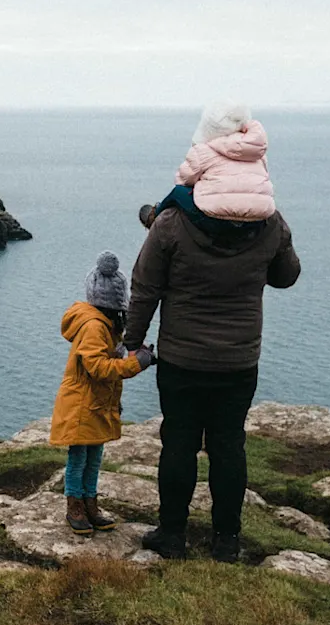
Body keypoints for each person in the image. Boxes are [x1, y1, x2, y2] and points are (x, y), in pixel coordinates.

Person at [125, 113, 301, 562]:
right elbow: (286, 278)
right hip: (239, 360)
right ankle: (227, 542)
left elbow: (145, 288)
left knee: (179, 442)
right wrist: (276, 242)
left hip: (183, 358)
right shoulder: (271, 223)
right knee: (228, 445)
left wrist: (132, 343)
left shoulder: (170, 222)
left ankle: (172, 535)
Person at [49, 252, 155, 536]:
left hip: (93, 403)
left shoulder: (104, 325)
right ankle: (75, 506)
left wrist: (130, 350)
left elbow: (107, 353)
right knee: (79, 458)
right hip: (82, 405)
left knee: (93, 457)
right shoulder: (95, 326)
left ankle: (89, 504)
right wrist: (135, 364)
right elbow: (96, 366)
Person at [138, 100, 275, 233]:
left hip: (214, 221)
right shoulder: (258, 155)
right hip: (256, 222)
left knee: (178, 192)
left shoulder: (204, 150)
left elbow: (184, 179)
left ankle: (155, 216)